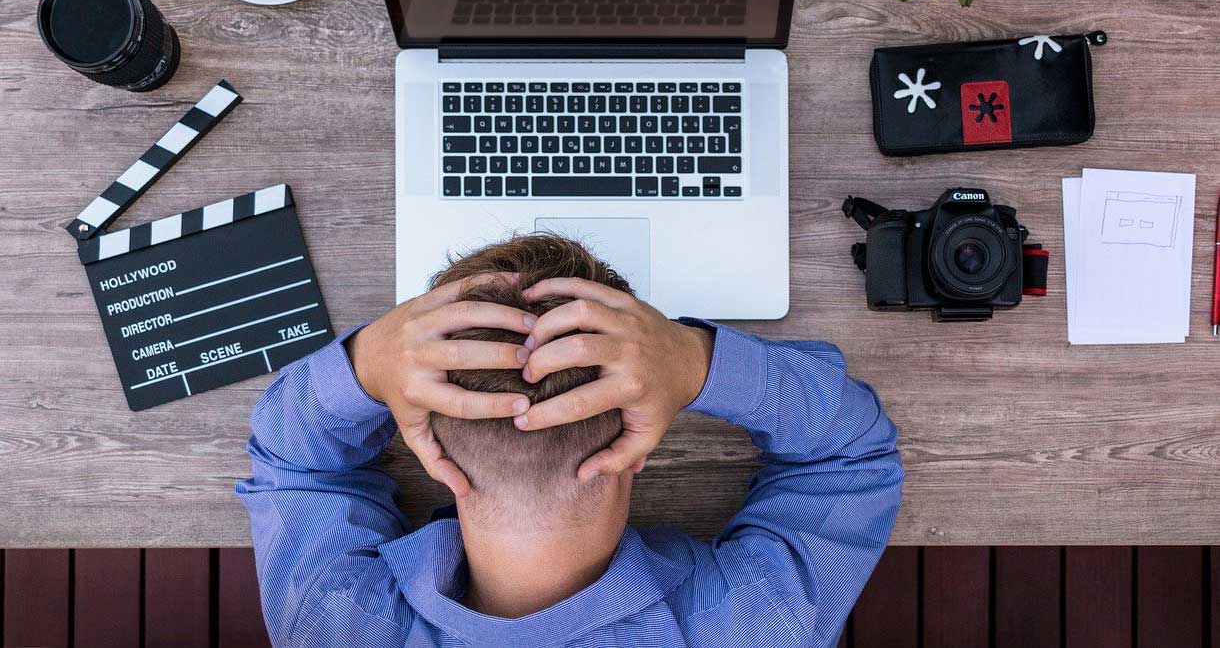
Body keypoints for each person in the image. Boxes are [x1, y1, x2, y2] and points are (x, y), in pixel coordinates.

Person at [238, 234, 903, 647]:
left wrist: (363, 366)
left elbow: (295, 465)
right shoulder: (758, 622)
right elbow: (851, 450)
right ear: (636, 450)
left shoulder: (334, 625)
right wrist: (694, 361)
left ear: (429, 449)